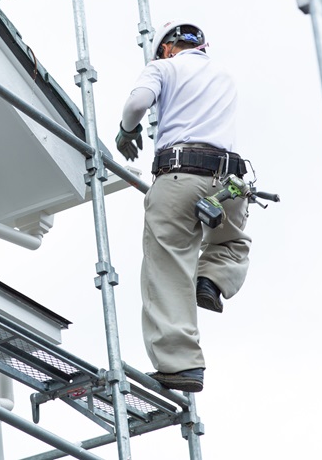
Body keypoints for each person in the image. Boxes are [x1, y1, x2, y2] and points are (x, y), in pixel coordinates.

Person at [115, 21, 250, 393]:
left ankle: (181, 365)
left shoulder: (163, 67)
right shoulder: (224, 75)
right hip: (229, 182)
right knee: (232, 242)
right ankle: (212, 280)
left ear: (165, 48)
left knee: (167, 268)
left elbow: (137, 104)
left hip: (178, 176)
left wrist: (128, 129)